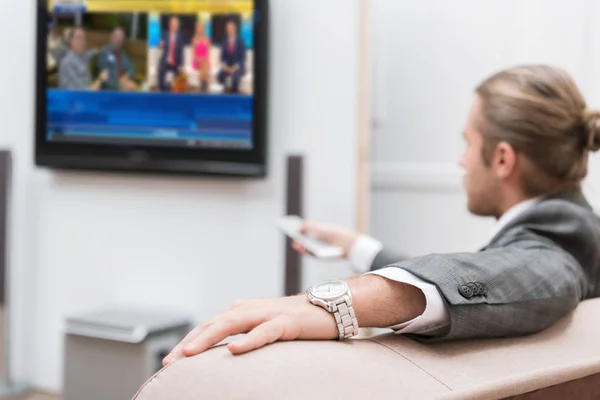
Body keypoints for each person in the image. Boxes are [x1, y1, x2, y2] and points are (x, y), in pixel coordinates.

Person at [162, 65, 600, 367]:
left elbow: (522, 278)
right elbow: (462, 280)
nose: (463, 161)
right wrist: (358, 248)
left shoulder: (558, 249)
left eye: (468, 142)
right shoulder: (569, 224)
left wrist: (324, 304)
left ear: (503, 159)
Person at [97, 27, 137, 91]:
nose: (118, 40)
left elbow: (131, 68)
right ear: (111, 37)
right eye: (117, 37)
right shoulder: (104, 52)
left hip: (122, 85)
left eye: (121, 37)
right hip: (109, 89)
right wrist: (121, 85)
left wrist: (126, 77)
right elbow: (104, 77)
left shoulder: (123, 53)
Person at [217, 20, 246, 93]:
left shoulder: (240, 41)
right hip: (227, 67)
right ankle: (224, 93)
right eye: (228, 29)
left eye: (231, 28)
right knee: (220, 75)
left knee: (235, 79)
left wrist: (234, 68)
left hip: (238, 67)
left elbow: (243, 57)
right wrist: (225, 66)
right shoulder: (224, 41)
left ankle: (234, 96)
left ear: (234, 29)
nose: (229, 30)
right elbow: (222, 57)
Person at [158, 16, 185, 92]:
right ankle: (163, 89)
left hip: (175, 63)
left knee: (179, 83)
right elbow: (159, 45)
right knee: (160, 70)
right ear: (169, 25)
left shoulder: (180, 36)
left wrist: (181, 65)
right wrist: (160, 44)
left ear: (178, 25)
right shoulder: (164, 34)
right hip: (165, 61)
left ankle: (172, 91)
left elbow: (181, 52)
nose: (174, 25)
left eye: (175, 24)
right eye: (172, 24)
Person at [192, 20, 212, 92]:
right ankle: (205, 86)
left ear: (203, 29)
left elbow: (208, 54)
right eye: (198, 27)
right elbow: (193, 54)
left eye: (201, 27)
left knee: (204, 64)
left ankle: (202, 86)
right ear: (196, 29)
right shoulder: (194, 39)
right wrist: (198, 59)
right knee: (203, 64)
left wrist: (203, 59)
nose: (200, 29)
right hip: (196, 61)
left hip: (205, 60)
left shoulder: (207, 39)